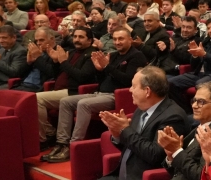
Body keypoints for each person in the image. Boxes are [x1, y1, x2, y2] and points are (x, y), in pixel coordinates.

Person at [42, 26, 148, 163]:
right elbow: (105, 78)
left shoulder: (137, 56)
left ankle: (74, 145)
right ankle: (61, 143)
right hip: (100, 93)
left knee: (83, 104)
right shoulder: (113, 55)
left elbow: (128, 80)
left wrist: (107, 67)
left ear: (130, 39)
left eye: (121, 39)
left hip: (117, 96)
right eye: (115, 39)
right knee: (65, 101)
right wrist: (100, 70)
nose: (117, 42)